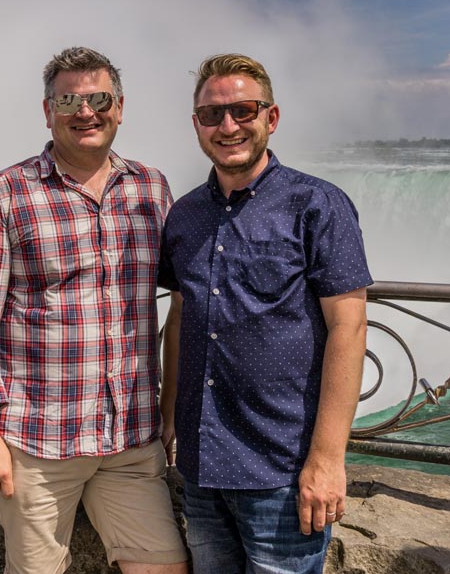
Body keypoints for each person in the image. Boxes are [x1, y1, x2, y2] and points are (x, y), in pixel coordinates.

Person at [0, 46, 188, 574]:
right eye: (69, 99)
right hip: (38, 444)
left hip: (130, 441)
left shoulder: (151, 188)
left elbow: (184, 295)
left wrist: (172, 408)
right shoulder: (3, 196)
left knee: (166, 566)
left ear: (119, 107)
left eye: (98, 98)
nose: (85, 111)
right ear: (48, 110)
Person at [158, 53, 372, 573]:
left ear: (270, 118)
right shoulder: (185, 213)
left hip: (281, 467)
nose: (227, 126)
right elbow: (181, 318)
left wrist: (327, 459)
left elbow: (350, 326)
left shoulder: (316, 204)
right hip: (202, 463)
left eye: (243, 111)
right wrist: (167, 419)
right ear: (197, 126)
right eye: (212, 115)